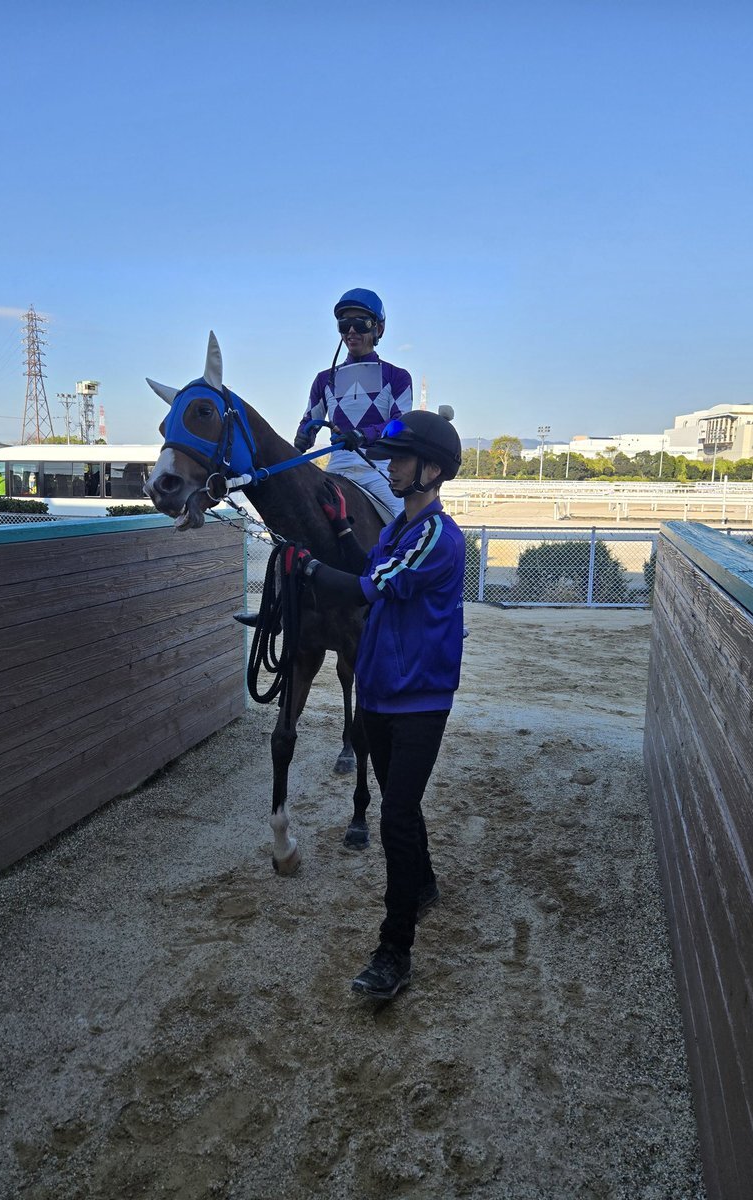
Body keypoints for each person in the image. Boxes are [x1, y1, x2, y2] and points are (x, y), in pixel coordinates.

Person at [286, 410, 465, 1000]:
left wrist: (308, 567)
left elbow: (369, 586)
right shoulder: (395, 532)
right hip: (380, 693)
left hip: (420, 702)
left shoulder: (439, 537)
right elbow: (368, 564)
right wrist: (337, 534)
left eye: (400, 459)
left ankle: (395, 951)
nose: (389, 467)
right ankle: (427, 884)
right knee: (399, 805)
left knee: (394, 815)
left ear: (431, 470)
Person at [294, 288, 413, 519]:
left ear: (378, 328)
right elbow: (310, 420)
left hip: (377, 467)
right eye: (344, 323)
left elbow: (400, 424)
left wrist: (361, 435)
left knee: (407, 523)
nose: (351, 331)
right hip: (337, 467)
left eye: (360, 323)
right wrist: (297, 444)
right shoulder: (323, 379)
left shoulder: (397, 376)